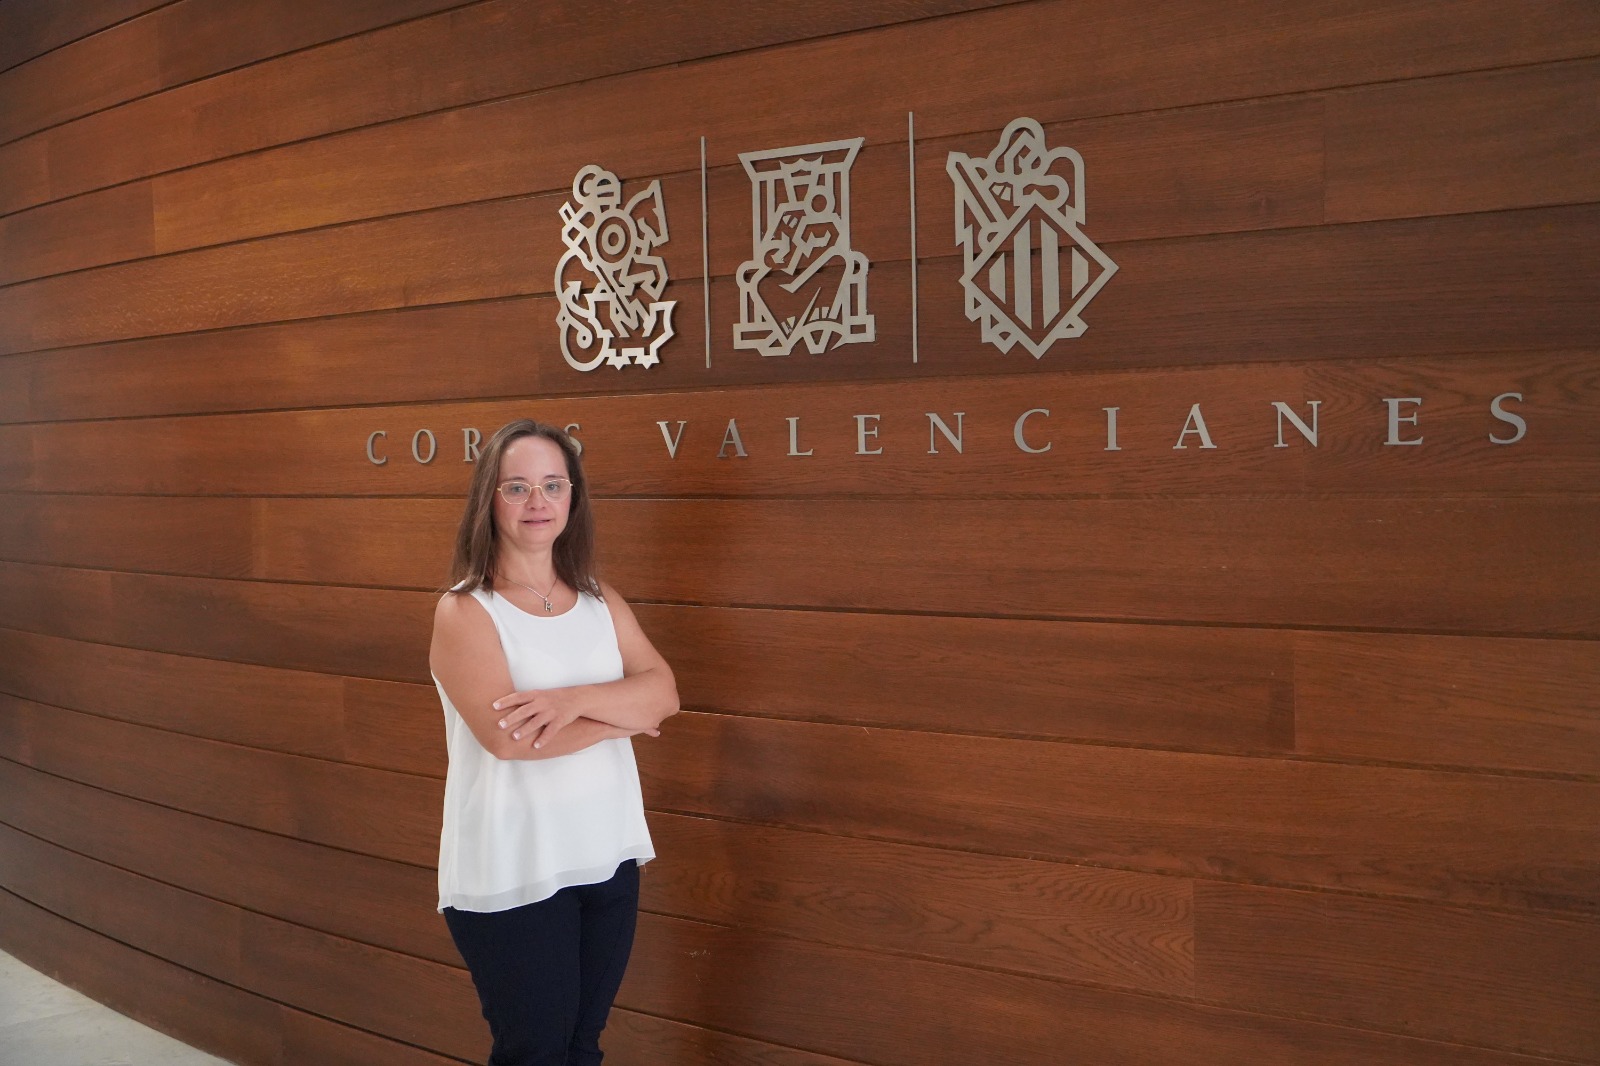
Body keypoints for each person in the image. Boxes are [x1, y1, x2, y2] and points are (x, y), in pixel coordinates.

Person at [429, 419, 678, 1066]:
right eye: (516, 486)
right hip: (515, 868)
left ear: (573, 497)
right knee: (534, 1053)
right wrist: (622, 719)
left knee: (581, 1049)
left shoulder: (599, 601)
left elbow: (664, 694)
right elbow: (512, 742)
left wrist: (569, 702)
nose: (537, 501)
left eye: (552, 485)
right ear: (489, 499)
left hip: (607, 854)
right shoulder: (467, 610)